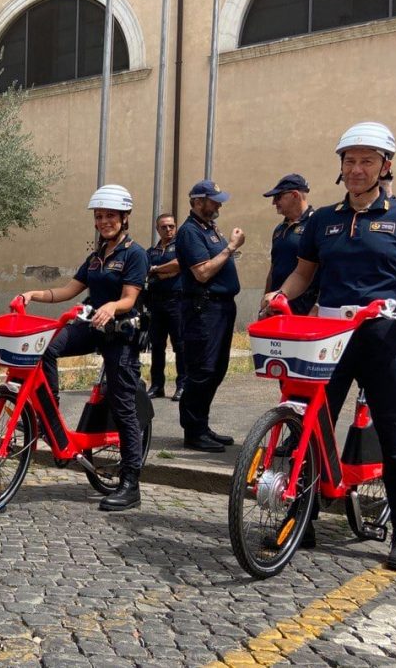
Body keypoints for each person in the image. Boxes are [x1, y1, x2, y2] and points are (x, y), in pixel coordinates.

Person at [262, 122, 396, 572]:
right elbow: (305, 273)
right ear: (340, 166)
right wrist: (279, 294)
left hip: (383, 334)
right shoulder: (324, 219)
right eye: (349, 160)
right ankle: (301, 518)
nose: (357, 169)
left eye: (367, 161)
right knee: (308, 427)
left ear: (385, 166)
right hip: (328, 338)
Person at [20, 184, 148, 511]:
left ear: (124, 217)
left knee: (123, 406)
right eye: (99, 216)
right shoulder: (95, 257)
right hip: (92, 326)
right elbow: (68, 290)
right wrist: (35, 295)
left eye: (110, 216)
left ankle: (130, 483)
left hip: (120, 332)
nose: (104, 221)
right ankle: (49, 414)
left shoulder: (135, 253)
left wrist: (112, 307)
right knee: (46, 347)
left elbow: (130, 298)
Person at [175, 180, 245, 453]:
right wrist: (231, 247)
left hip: (221, 307)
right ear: (197, 202)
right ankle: (193, 431)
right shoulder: (190, 232)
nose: (219, 204)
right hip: (204, 309)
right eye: (213, 200)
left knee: (216, 369)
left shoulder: (209, 228)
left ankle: (201, 425)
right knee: (202, 370)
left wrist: (228, 246)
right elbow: (202, 272)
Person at [263, 174, 319, 316]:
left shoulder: (317, 224)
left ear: (295, 195)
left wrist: (318, 306)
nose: (274, 203)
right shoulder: (279, 229)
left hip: (304, 308)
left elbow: (326, 270)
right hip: (276, 305)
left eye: (278, 197)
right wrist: (265, 304)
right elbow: (273, 268)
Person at [145, 213, 185, 402]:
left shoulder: (181, 247)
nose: (168, 230)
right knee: (157, 346)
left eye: (171, 226)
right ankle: (157, 386)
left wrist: (156, 269)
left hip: (177, 302)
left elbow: (179, 264)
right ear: (157, 229)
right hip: (156, 303)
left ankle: (182, 386)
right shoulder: (151, 251)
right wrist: (164, 273)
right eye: (164, 227)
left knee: (180, 346)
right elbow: (145, 271)